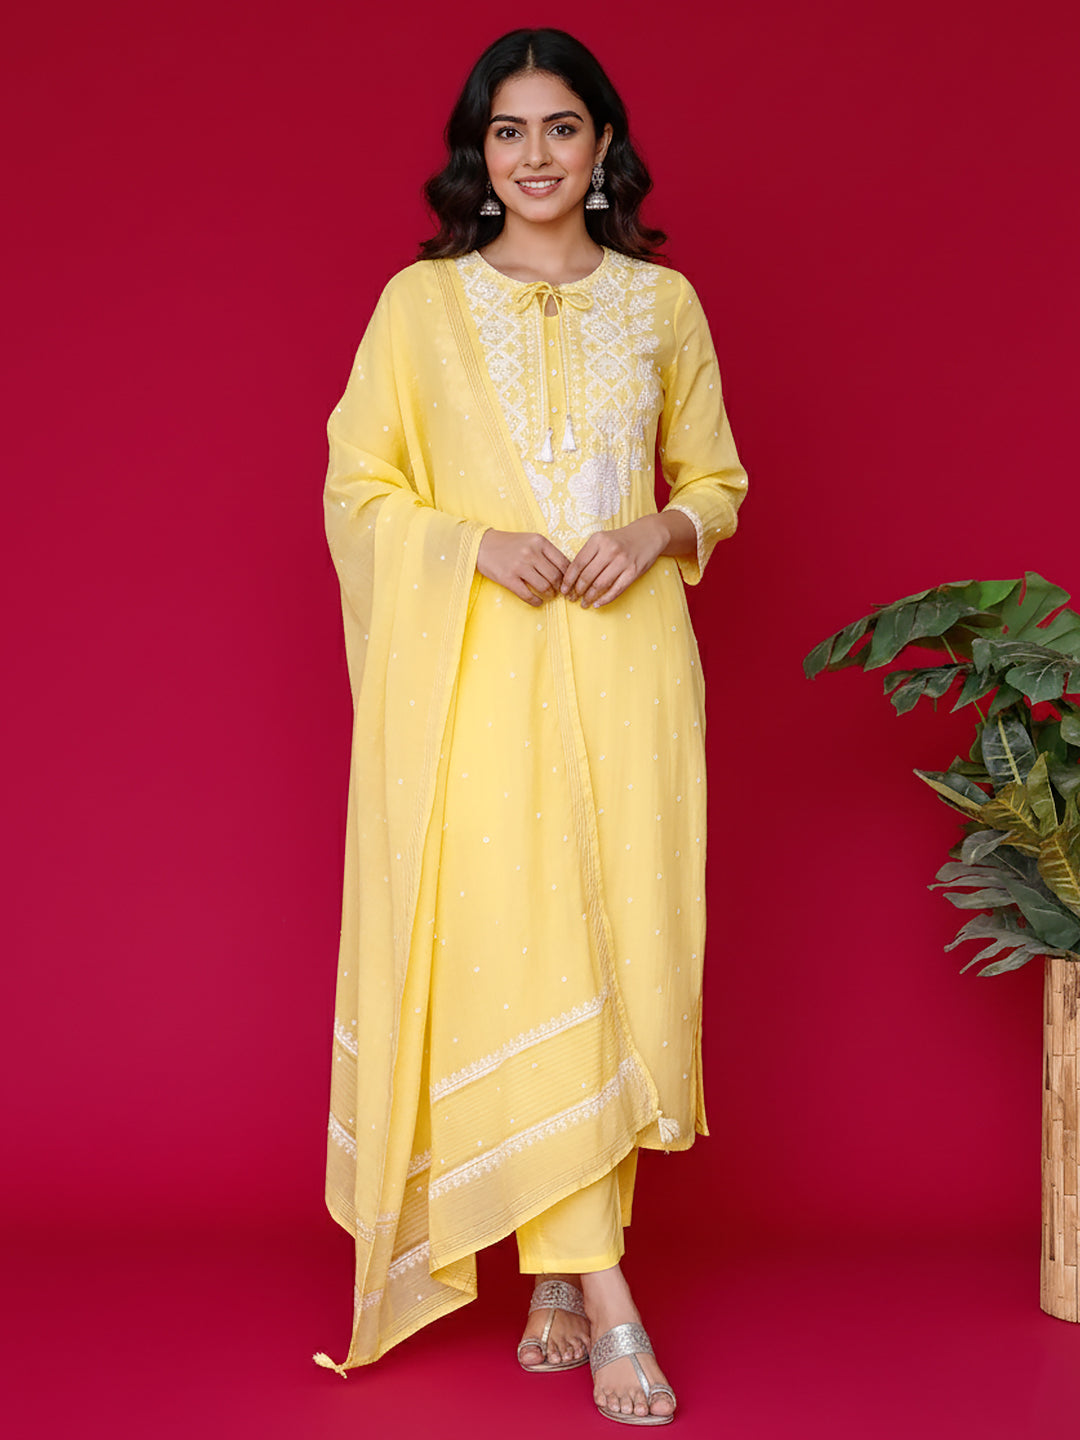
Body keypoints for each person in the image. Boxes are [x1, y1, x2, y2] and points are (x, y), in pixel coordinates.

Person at [314, 27, 748, 1426]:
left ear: (606, 147)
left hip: (629, 670)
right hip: (483, 677)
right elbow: (357, 489)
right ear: (477, 156)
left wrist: (659, 527)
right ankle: (605, 1292)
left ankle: (556, 1278)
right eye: (509, 132)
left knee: (616, 949)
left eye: (563, 128)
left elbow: (724, 480)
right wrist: (472, 545)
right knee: (523, 947)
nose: (538, 156)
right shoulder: (420, 309)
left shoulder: (663, 307)